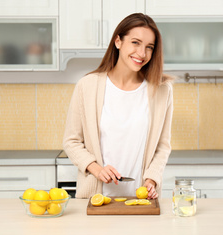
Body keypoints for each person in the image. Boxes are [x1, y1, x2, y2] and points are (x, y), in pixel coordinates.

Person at [63, 13, 173, 199]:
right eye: (135, 42)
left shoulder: (162, 91)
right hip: (97, 201)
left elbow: (162, 146)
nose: (142, 53)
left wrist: (151, 180)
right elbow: (71, 141)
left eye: (149, 47)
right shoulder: (87, 86)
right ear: (118, 41)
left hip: (141, 202)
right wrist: (96, 169)